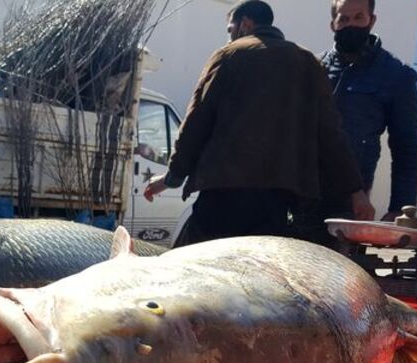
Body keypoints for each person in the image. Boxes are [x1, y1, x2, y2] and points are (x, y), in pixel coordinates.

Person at [144, 0, 374, 245]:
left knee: (197, 268)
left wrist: (172, 178)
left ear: (245, 24)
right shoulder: (306, 62)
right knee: (253, 273)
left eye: (230, 30)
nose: (230, 37)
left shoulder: (229, 55)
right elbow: (331, 134)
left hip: (222, 195)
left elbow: (195, 123)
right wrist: (356, 191)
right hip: (276, 202)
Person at [323, 0, 417, 221]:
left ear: (372, 20)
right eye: (344, 19)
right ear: (333, 24)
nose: (350, 25)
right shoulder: (315, 68)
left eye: (359, 17)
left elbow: (407, 148)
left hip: (352, 203)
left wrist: (400, 208)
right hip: (304, 197)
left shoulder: (396, 75)